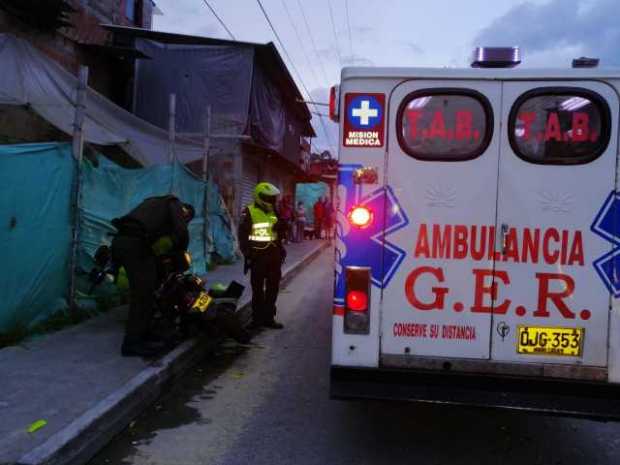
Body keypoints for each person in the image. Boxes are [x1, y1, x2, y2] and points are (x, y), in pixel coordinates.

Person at [111, 195, 195, 357]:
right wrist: (180, 252)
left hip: (122, 241)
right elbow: (181, 232)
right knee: (143, 295)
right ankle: (131, 344)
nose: (186, 220)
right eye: (187, 218)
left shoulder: (153, 202)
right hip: (134, 244)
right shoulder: (175, 203)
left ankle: (144, 333)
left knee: (148, 291)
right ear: (186, 213)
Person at [238, 182, 286, 329]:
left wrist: (283, 226)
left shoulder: (274, 211)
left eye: (273, 198)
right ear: (260, 197)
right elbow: (242, 236)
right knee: (257, 290)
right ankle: (257, 320)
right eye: (269, 197)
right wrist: (248, 253)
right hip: (258, 256)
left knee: (273, 288)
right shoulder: (249, 211)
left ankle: (269, 318)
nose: (272, 200)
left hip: (274, 255)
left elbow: (281, 231)